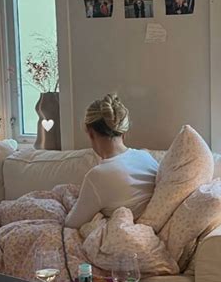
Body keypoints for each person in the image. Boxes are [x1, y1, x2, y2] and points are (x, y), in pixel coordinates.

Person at [65, 95, 158, 229]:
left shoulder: (97, 176)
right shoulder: (146, 157)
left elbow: (72, 224)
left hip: (118, 240)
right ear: (123, 131)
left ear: (90, 133)